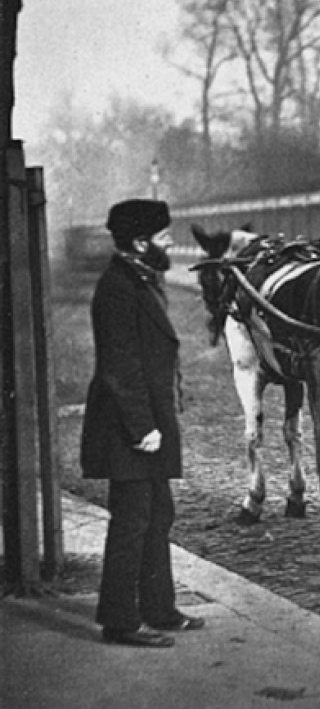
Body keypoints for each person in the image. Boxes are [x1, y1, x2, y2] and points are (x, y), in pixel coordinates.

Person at [80, 199, 205, 648]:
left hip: (146, 422)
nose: (170, 241)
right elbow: (120, 365)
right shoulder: (118, 288)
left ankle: (159, 609)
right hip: (128, 426)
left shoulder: (138, 279)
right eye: (163, 236)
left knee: (158, 514)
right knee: (132, 520)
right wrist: (142, 427)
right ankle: (120, 622)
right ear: (139, 242)